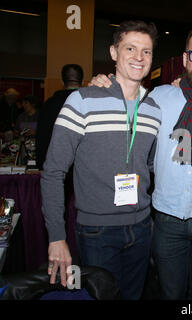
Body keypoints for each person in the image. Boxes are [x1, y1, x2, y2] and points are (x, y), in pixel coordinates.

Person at [90, 25, 192, 300]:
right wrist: (103, 84)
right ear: (185, 60)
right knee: (169, 293)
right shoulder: (158, 99)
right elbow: (122, 100)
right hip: (166, 219)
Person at [40, 20, 161, 300]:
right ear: (113, 52)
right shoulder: (82, 101)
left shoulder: (154, 109)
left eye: (147, 51)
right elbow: (53, 172)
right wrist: (57, 236)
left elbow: (152, 166)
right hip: (97, 231)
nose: (139, 57)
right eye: (130, 48)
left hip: (142, 227)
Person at [36, 64, 84, 170]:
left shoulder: (49, 104)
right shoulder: (89, 104)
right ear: (83, 81)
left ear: (62, 82)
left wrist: (41, 164)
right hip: (83, 165)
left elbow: (42, 136)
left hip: (56, 163)